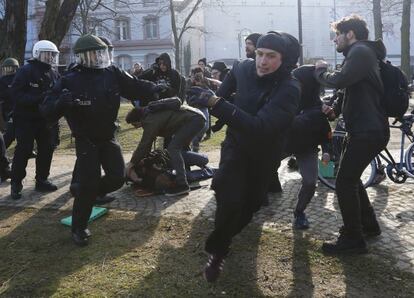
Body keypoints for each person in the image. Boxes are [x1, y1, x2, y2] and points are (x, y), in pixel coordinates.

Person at [190, 32, 300, 282]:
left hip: (264, 155)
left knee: (249, 206)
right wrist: (201, 100)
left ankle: (223, 240)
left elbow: (260, 127)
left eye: (271, 56)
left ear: (284, 59)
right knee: (228, 198)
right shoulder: (242, 68)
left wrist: (217, 104)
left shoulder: (290, 88)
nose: (262, 61)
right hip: (236, 148)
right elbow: (222, 95)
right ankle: (217, 253)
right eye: (260, 54)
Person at [41, 34, 160, 246]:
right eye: (94, 54)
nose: (99, 57)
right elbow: (47, 111)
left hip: (107, 135)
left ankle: (86, 193)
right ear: (83, 57)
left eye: (101, 53)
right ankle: (79, 227)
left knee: (117, 178)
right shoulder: (69, 79)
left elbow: (134, 86)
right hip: (86, 139)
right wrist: (61, 102)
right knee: (88, 182)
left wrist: (154, 88)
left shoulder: (111, 72)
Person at [315, 14, 389, 254]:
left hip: (368, 130)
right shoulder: (360, 55)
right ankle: (368, 226)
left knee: (344, 181)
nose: (334, 40)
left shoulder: (360, 52)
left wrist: (320, 72)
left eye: (337, 34)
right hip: (366, 129)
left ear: (350, 34)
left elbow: (340, 79)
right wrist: (334, 110)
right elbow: (351, 90)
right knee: (352, 179)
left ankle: (353, 239)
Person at [10, 40, 61, 200]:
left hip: (46, 120)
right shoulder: (26, 70)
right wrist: (38, 98)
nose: (50, 58)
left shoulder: (54, 73)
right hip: (26, 118)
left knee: (47, 149)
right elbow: (16, 95)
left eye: (53, 55)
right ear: (37, 54)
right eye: (47, 54)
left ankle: (42, 180)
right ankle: (16, 183)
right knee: (24, 149)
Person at [125, 97, 205, 196]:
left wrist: (132, 164)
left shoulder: (149, 120)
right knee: (177, 147)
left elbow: (145, 143)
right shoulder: (150, 113)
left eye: (134, 124)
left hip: (194, 119)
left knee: (173, 148)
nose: (136, 127)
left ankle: (182, 185)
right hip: (195, 117)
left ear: (138, 119)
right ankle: (186, 176)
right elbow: (149, 144)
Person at [287, 64, 330, 229]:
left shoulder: (319, 109)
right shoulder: (286, 100)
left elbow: (326, 133)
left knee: (311, 182)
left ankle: (299, 212)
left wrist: (327, 151)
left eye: (298, 82)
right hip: (282, 146)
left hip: (307, 149)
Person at [0, 58, 19, 147]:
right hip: (8, 110)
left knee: (23, 132)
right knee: (10, 134)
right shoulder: (2, 80)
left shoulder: (20, 78)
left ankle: (28, 150)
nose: (9, 70)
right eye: (6, 68)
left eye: (11, 68)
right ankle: (1, 154)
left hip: (21, 109)